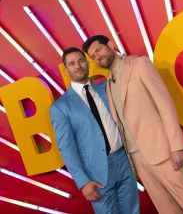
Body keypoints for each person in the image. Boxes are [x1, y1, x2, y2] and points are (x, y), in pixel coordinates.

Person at [83, 35, 183, 214]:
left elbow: (165, 105)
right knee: (166, 210)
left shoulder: (139, 65)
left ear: (110, 45)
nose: (97, 57)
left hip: (163, 152)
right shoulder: (107, 85)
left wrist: (176, 147)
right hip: (138, 160)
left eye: (98, 50)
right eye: (93, 56)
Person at [50, 47, 140, 213]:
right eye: (72, 63)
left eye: (81, 61)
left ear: (87, 63)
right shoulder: (61, 107)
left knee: (133, 210)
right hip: (96, 174)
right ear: (66, 69)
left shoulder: (105, 88)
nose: (77, 66)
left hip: (124, 161)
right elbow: (67, 149)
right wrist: (83, 182)